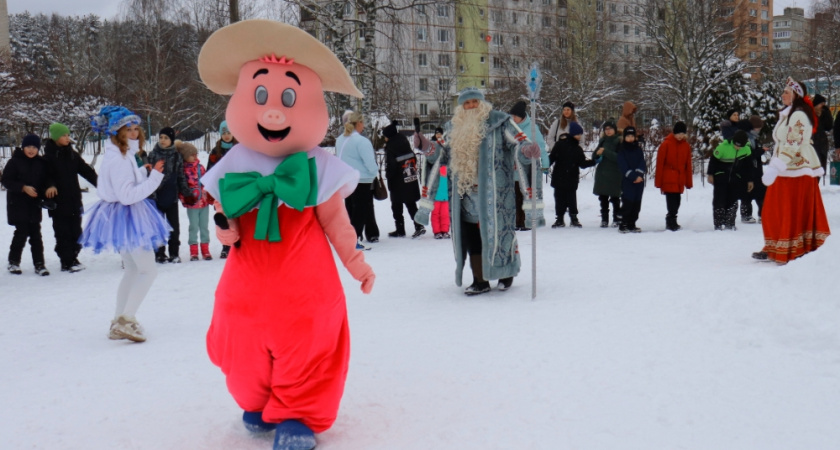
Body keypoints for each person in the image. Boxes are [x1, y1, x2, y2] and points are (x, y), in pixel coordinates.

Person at [198, 20, 374, 450]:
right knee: (240, 343)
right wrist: (225, 229)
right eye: (259, 97)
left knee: (309, 345)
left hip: (306, 288)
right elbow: (227, 220)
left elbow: (337, 222)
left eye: (288, 98)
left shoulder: (318, 168)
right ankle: (256, 401)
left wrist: (355, 262)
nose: (272, 112)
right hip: (246, 284)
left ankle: (297, 415)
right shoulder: (236, 163)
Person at [419, 87, 541, 295]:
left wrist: (527, 150)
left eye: (475, 102)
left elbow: (520, 142)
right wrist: (427, 147)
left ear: (482, 103)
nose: (471, 106)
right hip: (464, 195)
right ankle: (480, 280)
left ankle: (505, 272)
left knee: (498, 234)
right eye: (466, 103)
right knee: (472, 237)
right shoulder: (452, 127)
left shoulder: (500, 122)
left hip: (496, 195)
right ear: (461, 107)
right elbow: (440, 153)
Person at [79, 106, 169, 342]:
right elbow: (127, 195)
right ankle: (126, 320)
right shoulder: (119, 158)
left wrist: (143, 172)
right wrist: (156, 178)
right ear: (116, 132)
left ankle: (119, 319)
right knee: (148, 270)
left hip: (122, 216)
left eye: (136, 128)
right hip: (129, 217)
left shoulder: (121, 154)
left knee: (132, 269)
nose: (133, 133)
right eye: (127, 129)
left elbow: (124, 185)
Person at [753, 78, 830, 264]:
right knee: (774, 209)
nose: (783, 95)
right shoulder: (789, 114)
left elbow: (794, 141)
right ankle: (776, 246)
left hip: (796, 169)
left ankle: (790, 247)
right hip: (785, 168)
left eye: (787, 92)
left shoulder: (799, 115)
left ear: (796, 95)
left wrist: (777, 165)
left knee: (786, 210)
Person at [42, 122, 98, 272]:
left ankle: (73, 256)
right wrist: (50, 185)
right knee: (63, 232)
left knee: (76, 232)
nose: (67, 138)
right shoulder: (48, 157)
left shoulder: (72, 154)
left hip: (74, 199)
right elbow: (45, 176)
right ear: (55, 137)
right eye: (64, 135)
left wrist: (102, 184)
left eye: (68, 135)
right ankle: (66, 261)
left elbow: (86, 170)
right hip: (59, 202)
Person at [2, 134, 56, 276]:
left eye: (34, 147)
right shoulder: (14, 162)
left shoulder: (41, 162)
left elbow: (46, 180)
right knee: (21, 233)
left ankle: (39, 264)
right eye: (28, 147)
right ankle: (13, 262)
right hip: (18, 204)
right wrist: (23, 187)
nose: (31, 150)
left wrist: (50, 187)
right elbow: (6, 181)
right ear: (23, 147)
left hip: (34, 204)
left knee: (36, 235)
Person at [148, 127, 194, 263]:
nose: (163, 140)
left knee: (174, 226)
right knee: (158, 226)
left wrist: (187, 193)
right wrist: (150, 194)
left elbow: (181, 176)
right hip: (156, 196)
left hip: (171, 196)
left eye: (166, 138)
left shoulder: (176, 156)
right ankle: (159, 253)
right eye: (161, 137)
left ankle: (174, 253)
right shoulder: (152, 155)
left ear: (172, 140)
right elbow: (148, 176)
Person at [336, 111, 379, 248]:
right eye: (363, 123)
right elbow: (370, 162)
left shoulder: (340, 139)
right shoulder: (362, 141)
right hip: (362, 179)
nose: (364, 126)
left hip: (346, 179)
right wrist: (374, 173)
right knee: (360, 211)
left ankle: (347, 238)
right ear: (359, 123)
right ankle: (353, 239)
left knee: (350, 209)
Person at [508, 100, 549, 231]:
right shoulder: (510, 127)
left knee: (527, 194)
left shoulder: (532, 129)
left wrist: (545, 163)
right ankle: (516, 221)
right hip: (513, 169)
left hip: (528, 169)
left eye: (515, 116)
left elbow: (541, 147)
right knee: (515, 196)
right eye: (512, 116)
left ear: (522, 116)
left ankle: (528, 220)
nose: (513, 118)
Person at [382, 120, 425, 238]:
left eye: (385, 136)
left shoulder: (391, 147)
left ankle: (400, 229)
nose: (384, 138)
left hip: (397, 182)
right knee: (411, 204)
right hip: (409, 178)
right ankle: (418, 225)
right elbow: (414, 158)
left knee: (396, 205)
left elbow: (391, 166)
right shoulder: (404, 142)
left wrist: (388, 176)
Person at [549, 122, 595, 228]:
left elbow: (582, 164)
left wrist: (594, 161)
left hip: (568, 177)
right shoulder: (562, 145)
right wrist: (544, 166)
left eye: (580, 134)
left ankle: (571, 217)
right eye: (578, 134)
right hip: (563, 177)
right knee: (562, 198)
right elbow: (552, 158)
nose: (579, 136)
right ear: (572, 134)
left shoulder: (576, 148)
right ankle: (561, 218)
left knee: (568, 198)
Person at [707, 130, 754, 231]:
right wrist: (710, 174)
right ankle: (718, 224)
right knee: (719, 200)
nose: (737, 147)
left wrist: (750, 180)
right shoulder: (722, 147)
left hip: (736, 178)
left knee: (733, 200)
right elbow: (713, 161)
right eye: (736, 145)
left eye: (740, 146)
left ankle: (730, 223)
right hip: (720, 177)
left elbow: (749, 167)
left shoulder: (746, 150)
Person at [176, 140, 211, 261]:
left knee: (204, 226)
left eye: (196, 153)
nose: (195, 156)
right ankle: (194, 250)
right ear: (185, 156)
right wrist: (185, 199)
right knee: (194, 226)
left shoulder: (201, 167)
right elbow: (181, 187)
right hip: (192, 204)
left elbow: (207, 182)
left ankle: (205, 249)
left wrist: (209, 195)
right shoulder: (183, 170)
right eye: (192, 154)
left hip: (204, 202)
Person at [654, 121, 693, 231]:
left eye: (682, 134)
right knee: (671, 200)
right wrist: (658, 181)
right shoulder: (666, 144)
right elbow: (660, 163)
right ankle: (670, 220)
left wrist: (688, 182)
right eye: (678, 134)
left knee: (677, 200)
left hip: (680, 177)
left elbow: (688, 165)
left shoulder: (686, 146)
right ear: (674, 133)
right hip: (668, 177)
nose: (680, 136)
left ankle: (673, 218)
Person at [208, 120, 238, 258]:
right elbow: (210, 171)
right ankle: (226, 246)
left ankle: (238, 240)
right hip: (221, 189)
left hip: (237, 187)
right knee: (223, 217)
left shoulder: (239, 149)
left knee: (238, 216)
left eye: (229, 132)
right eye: (224, 133)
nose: (226, 135)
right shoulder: (216, 151)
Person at [592, 120, 622, 228]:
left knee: (615, 198)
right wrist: (596, 155)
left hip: (615, 173)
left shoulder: (619, 141)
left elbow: (619, 158)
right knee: (603, 198)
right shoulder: (602, 141)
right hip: (603, 173)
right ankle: (604, 219)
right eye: (606, 129)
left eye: (610, 129)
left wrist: (605, 152)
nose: (608, 131)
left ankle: (616, 218)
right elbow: (594, 156)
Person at [617, 127, 646, 233]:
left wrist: (639, 175)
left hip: (639, 182)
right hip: (628, 181)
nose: (630, 138)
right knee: (628, 202)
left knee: (636, 203)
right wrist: (633, 176)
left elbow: (642, 163)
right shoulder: (622, 150)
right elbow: (623, 166)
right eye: (628, 136)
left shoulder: (638, 149)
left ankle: (632, 223)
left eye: (632, 136)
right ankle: (623, 223)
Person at [740, 115, 768, 223]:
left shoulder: (753, 138)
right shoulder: (745, 138)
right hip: (747, 169)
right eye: (757, 128)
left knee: (761, 192)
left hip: (756, 170)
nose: (759, 130)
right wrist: (760, 151)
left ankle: (763, 214)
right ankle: (746, 215)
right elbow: (748, 155)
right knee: (747, 192)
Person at [811, 94, 832, 174]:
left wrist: (827, 112)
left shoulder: (824, 114)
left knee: (820, 169)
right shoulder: (810, 114)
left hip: (822, 145)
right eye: (821, 104)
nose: (823, 106)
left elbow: (829, 126)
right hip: (813, 144)